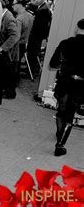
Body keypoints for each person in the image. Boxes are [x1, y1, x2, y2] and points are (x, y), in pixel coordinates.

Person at [49, 19, 84, 157]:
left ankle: (59, 133)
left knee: (61, 111)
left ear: (77, 28)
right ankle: (60, 144)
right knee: (70, 113)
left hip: (64, 81)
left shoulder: (65, 43)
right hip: (80, 85)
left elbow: (53, 63)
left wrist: (64, 67)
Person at [8, 0, 34, 98]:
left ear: (19, 5)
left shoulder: (18, 19)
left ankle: (10, 91)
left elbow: (15, 36)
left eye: (14, 4)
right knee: (16, 68)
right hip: (23, 44)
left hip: (16, 46)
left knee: (12, 69)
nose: (12, 6)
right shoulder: (30, 16)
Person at [27, 0, 52, 77]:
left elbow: (39, 25)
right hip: (39, 35)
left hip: (37, 35)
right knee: (34, 53)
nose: (36, 1)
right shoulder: (43, 7)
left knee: (33, 53)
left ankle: (32, 72)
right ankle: (33, 70)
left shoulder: (42, 9)